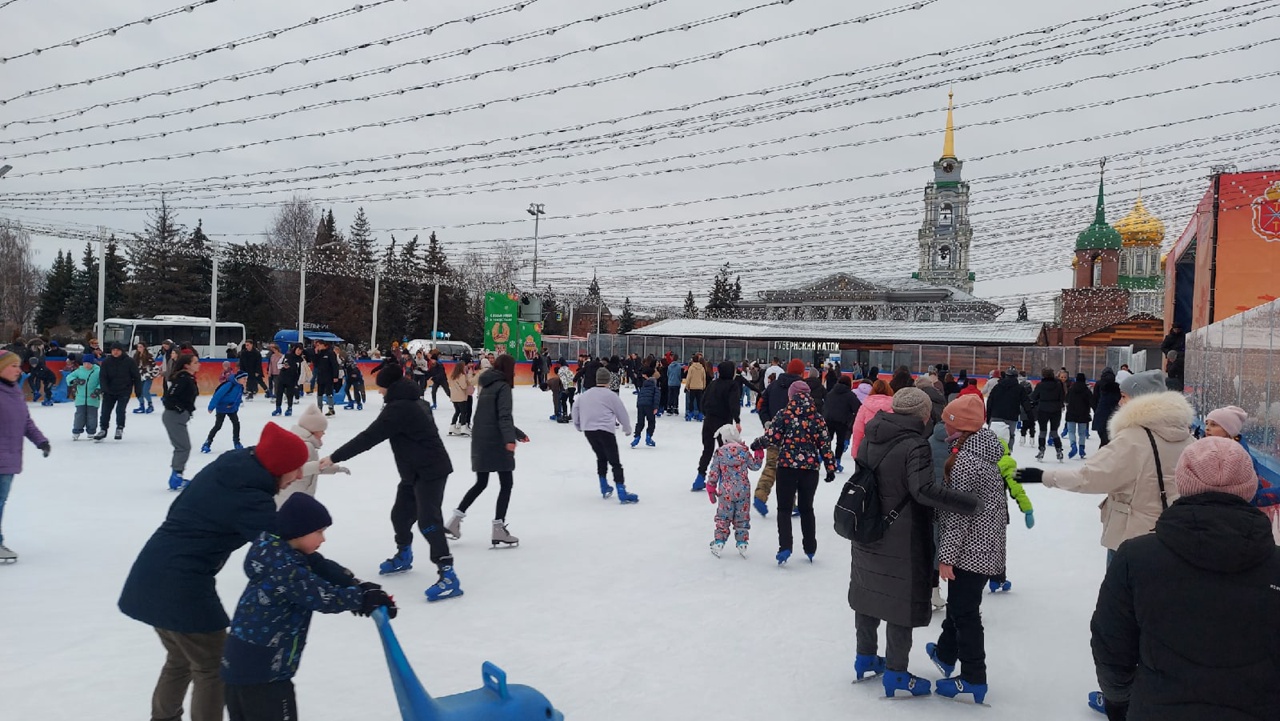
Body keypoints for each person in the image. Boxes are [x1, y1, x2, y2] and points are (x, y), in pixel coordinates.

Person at [1090, 437, 1280, 721]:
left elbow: (1112, 648)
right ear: (1250, 486)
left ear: (1183, 483)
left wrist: (1119, 702)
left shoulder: (1136, 558)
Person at [849, 388, 978, 698]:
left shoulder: (871, 435)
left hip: (869, 527)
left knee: (869, 591)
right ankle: (896, 672)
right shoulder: (914, 445)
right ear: (923, 415)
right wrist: (967, 503)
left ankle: (865, 656)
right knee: (898, 601)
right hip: (901, 535)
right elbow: (924, 492)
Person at [221, 493, 396, 721]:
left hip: (240, 666)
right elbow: (322, 597)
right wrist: (361, 598)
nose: (323, 539)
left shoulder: (272, 549)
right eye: (319, 532)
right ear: (298, 531)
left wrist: (355, 585)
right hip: (264, 673)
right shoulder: (284, 568)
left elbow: (319, 566)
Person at [1018, 370, 1194, 565]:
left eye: (1124, 397)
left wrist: (1044, 476)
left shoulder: (1132, 440)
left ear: (1141, 400)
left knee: (1122, 593)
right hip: (1175, 533)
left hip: (1132, 535)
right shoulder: (1188, 439)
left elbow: (1090, 477)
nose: (1120, 402)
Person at [322, 360, 463, 602]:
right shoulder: (411, 401)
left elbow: (368, 438)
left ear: (389, 387)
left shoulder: (399, 409)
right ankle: (404, 555)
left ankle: (448, 575)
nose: (379, 391)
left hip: (430, 471)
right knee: (400, 515)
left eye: (381, 388)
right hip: (414, 472)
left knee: (428, 521)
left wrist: (334, 457)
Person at [927, 394, 1008, 703]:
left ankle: (974, 677)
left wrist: (945, 558)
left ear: (959, 427)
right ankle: (946, 656)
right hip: (986, 547)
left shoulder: (964, 463)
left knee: (965, 614)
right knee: (962, 606)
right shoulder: (983, 453)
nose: (944, 428)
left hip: (969, 550)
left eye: (948, 423)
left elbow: (957, 517)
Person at [446, 354, 529, 547]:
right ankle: (498, 528)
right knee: (506, 483)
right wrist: (510, 439)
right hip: (497, 441)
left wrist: (517, 433)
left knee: (481, 483)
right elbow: (504, 416)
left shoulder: (487, 385)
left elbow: (491, 416)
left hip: (481, 439)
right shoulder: (503, 387)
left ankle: (454, 521)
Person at [749, 382, 835, 564]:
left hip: (787, 468)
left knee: (784, 509)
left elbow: (772, 437)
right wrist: (830, 467)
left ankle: (785, 547)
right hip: (810, 470)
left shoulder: (784, 414)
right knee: (807, 508)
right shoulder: (817, 417)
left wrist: (757, 443)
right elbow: (825, 444)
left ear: (791, 396)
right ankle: (810, 548)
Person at [0, 350, 51, 563]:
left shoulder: (14, 392)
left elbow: (26, 422)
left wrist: (41, 441)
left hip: (9, 459)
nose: (18, 370)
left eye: (18, 366)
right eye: (13, 366)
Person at [1204, 405, 1280, 543]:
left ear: (1229, 430)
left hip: (1235, 524)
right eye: (1207, 423)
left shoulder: (1243, 459)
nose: (1207, 428)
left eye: (1214, 424)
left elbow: (1255, 496)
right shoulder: (1207, 449)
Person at [752, 358, 807, 518]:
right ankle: (790, 504)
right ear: (801, 372)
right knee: (790, 471)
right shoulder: (802, 389)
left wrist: (767, 422)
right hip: (794, 438)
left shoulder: (774, 385)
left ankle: (760, 495)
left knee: (771, 466)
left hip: (774, 434)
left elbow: (761, 405)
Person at [574, 367, 636, 503]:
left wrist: (578, 425)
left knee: (601, 457)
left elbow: (575, 408)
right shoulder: (611, 395)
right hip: (605, 431)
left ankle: (603, 485)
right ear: (608, 380)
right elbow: (622, 412)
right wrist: (627, 428)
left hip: (589, 431)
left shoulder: (585, 395)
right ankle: (621, 490)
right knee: (615, 461)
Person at [705, 423, 762, 557]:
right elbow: (755, 466)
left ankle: (719, 541)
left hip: (726, 491)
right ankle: (742, 543)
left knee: (723, 517)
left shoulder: (720, 453)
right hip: (743, 490)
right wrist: (758, 453)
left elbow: (714, 473)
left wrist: (711, 487)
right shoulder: (744, 451)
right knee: (742, 517)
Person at [692, 361, 741, 492]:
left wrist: (706, 414)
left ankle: (699, 477)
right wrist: (737, 420)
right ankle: (723, 478)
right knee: (724, 451)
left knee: (707, 449)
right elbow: (734, 403)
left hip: (708, 421)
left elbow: (703, 401)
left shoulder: (713, 384)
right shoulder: (732, 385)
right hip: (723, 423)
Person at [162, 354, 201, 491]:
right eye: (195, 362)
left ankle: (177, 475)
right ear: (187, 365)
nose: (198, 364)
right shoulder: (182, 379)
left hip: (179, 417)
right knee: (183, 447)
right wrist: (181, 410)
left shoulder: (189, 378)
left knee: (183, 446)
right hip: (174, 416)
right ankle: (176, 477)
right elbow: (168, 398)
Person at [95, 342, 140, 441]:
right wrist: (104, 389)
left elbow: (136, 377)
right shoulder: (107, 362)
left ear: (121, 351)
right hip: (109, 391)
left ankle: (119, 427)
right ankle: (103, 429)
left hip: (124, 390)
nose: (115, 352)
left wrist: (138, 390)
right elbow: (102, 377)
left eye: (117, 350)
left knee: (120, 410)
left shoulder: (129, 361)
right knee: (105, 411)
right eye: (113, 350)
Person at [850, 380, 895, 463]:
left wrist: (855, 451)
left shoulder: (865, 406)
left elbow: (858, 430)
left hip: (868, 447)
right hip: (889, 448)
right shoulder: (894, 406)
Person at [202, 372, 247, 454]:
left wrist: (234, 407)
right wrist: (211, 407)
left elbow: (237, 399)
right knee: (218, 426)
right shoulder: (229, 385)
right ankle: (207, 442)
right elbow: (217, 395)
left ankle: (237, 442)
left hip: (231, 409)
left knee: (236, 424)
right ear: (238, 379)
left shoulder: (240, 387)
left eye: (246, 379)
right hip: (221, 408)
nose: (245, 381)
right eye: (244, 379)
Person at [823, 375, 859, 473]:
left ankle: (822, 456)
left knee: (827, 440)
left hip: (828, 419)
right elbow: (858, 408)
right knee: (840, 443)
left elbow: (825, 405)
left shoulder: (831, 393)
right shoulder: (850, 395)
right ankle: (837, 461)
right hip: (842, 421)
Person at [1030, 367, 1067, 462]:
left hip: (1043, 410)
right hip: (1056, 410)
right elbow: (1062, 397)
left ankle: (1041, 450)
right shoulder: (1058, 385)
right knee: (1054, 432)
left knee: (1042, 431)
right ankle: (1059, 450)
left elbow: (1033, 397)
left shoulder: (1040, 385)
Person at [984, 368, 1025, 449]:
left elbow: (989, 401)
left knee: (992, 434)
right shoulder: (1019, 388)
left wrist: (988, 417)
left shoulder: (997, 386)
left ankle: (991, 450)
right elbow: (1025, 403)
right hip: (1012, 416)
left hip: (996, 414)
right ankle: (1008, 451)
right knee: (1011, 435)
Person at [67, 353, 101, 441]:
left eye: (89, 363)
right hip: (80, 399)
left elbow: (102, 382)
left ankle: (91, 431)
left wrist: (97, 390)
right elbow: (69, 377)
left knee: (92, 416)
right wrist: (75, 380)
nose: (87, 365)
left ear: (92, 363)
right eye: (85, 363)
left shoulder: (98, 371)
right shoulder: (79, 370)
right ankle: (76, 431)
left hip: (93, 398)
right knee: (79, 415)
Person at [1064, 372, 1094, 459]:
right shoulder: (1087, 390)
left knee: (1071, 431)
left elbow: (1066, 400)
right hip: (1083, 414)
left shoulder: (1071, 389)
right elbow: (1091, 401)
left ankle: (1073, 445)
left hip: (1071, 413)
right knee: (1082, 433)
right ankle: (1081, 448)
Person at [1091, 367, 1122, 447]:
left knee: (1104, 440)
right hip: (1113, 415)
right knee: (1109, 440)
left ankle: (1102, 457)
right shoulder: (1117, 387)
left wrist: (1096, 410)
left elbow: (1094, 399)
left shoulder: (1098, 384)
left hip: (1101, 413)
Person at [272, 345, 303, 417]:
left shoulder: (300, 360)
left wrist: (298, 381)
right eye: (298, 349)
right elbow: (279, 364)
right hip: (282, 377)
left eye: (300, 350)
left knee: (290, 394)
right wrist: (283, 366)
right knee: (279, 393)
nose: (299, 352)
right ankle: (278, 408)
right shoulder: (286, 356)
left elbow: (300, 371)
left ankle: (289, 408)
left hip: (292, 379)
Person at [311, 340, 340, 416]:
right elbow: (315, 364)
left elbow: (335, 365)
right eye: (316, 346)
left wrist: (335, 376)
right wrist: (316, 354)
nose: (317, 347)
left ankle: (331, 408)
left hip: (329, 376)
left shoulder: (330, 353)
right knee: (319, 393)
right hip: (320, 376)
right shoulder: (319, 354)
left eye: (318, 345)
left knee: (329, 392)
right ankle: (319, 409)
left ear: (323, 345)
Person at [447, 359, 475, 436]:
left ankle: (452, 426)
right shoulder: (462, 376)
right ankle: (463, 427)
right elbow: (464, 386)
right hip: (461, 397)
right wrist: (467, 382)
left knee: (457, 411)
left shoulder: (453, 376)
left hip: (454, 397)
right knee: (463, 412)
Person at [631, 369, 659, 447]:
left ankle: (636, 437)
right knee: (651, 421)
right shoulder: (655, 388)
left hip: (641, 406)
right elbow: (656, 398)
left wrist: (638, 406)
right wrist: (656, 407)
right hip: (649, 406)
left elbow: (639, 397)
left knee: (640, 422)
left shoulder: (643, 388)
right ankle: (648, 437)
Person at [132, 342, 158, 414]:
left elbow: (154, 366)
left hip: (147, 376)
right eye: (138, 347)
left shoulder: (149, 356)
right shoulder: (136, 356)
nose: (139, 348)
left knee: (145, 391)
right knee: (138, 392)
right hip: (138, 376)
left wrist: (152, 374)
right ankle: (141, 405)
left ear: (144, 347)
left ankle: (150, 405)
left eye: (140, 347)